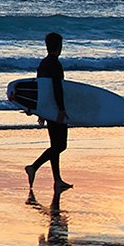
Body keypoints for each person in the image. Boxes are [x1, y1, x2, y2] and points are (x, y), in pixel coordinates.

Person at [24, 31, 70, 202]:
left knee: (55, 145)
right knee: (61, 146)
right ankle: (33, 167)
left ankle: (57, 180)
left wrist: (40, 110)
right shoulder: (56, 64)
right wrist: (61, 109)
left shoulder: (43, 64)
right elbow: (57, 88)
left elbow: (40, 88)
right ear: (58, 47)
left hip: (48, 108)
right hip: (56, 108)